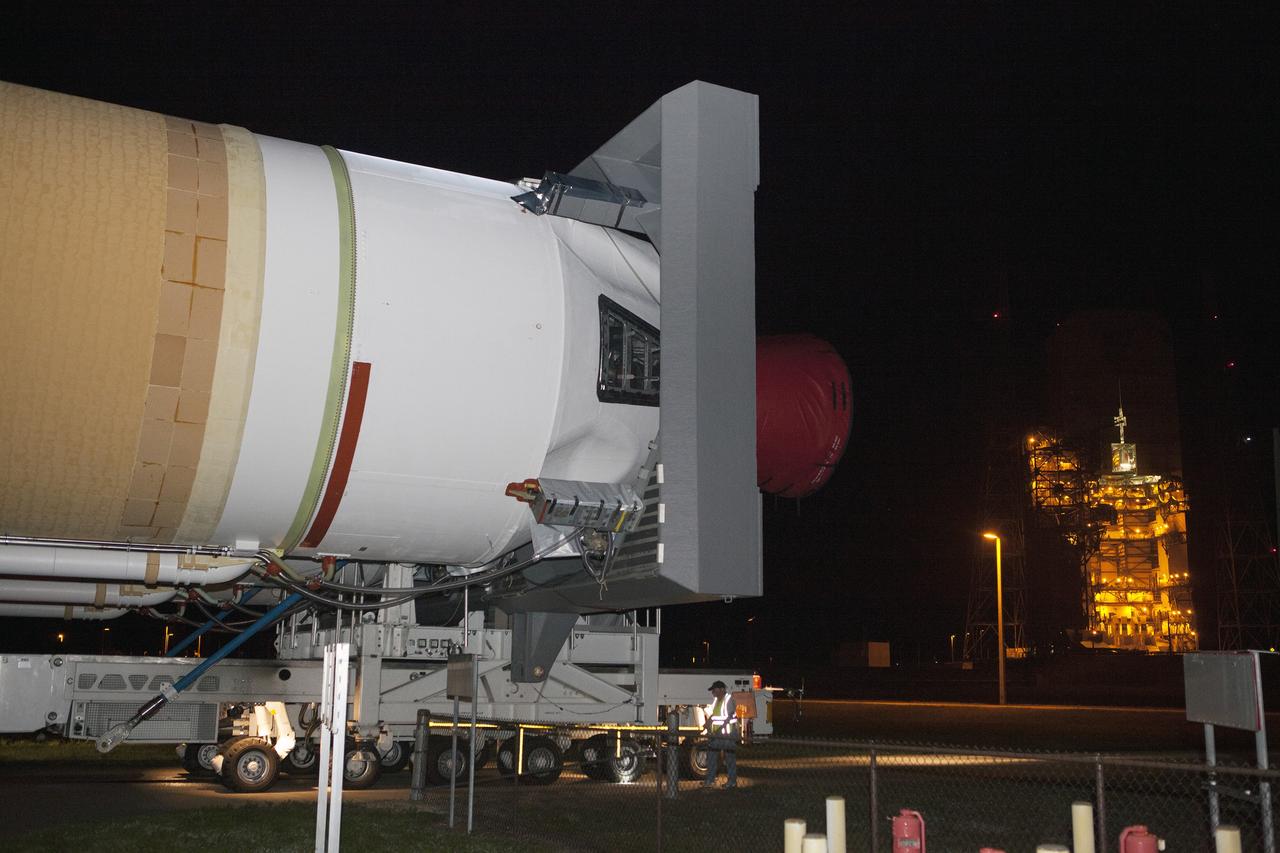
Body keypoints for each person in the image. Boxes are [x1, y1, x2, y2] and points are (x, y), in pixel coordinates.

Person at [702, 680, 738, 788]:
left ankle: (732, 781)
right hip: (717, 735)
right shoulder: (716, 700)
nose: (713, 692)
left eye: (714, 689)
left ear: (722, 689)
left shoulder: (728, 699)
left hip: (727, 735)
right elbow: (715, 714)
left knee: (729, 758)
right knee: (712, 756)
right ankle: (710, 780)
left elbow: (730, 716)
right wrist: (708, 723)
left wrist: (719, 728)